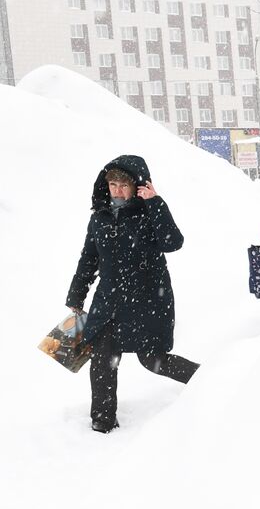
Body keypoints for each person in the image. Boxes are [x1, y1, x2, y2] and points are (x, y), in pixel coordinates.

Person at [66, 155, 199, 434]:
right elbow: (88, 259)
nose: (116, 191)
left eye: (123, 185)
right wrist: (77, 296)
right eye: (112, 184)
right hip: (109, 302)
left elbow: (173, 242)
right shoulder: (99, 219)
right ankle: (101, 423)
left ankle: (210, 379)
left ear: (138, 186)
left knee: (153, 360)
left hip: (147, 301)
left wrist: (155, 202)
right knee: (103, 361)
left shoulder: (148, 213)